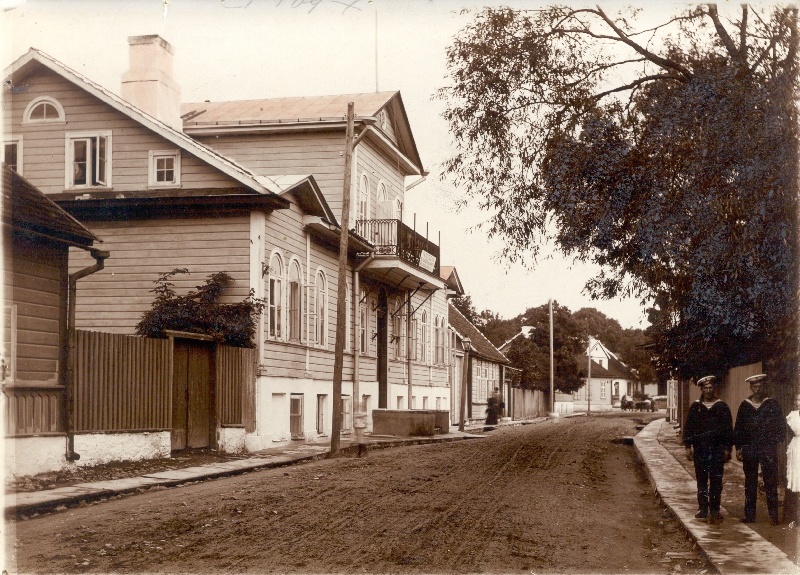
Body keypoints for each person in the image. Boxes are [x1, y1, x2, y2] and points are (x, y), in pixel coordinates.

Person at [734, 373, 786, 525]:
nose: (757, 388)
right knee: (750, 481)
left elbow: (781, 426)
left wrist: (774, 441)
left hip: (767, 448)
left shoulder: (772, 404)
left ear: (764, 386)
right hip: (750, 448)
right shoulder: (745, 406)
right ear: (750, 388)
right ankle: (749, 516)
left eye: (760, 385)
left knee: (770, 480)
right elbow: (739, 428)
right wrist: (738, 447)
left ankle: (773, 516)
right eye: (754, 386)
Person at [683, 375, 733, 524]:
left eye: (711, 387)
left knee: (716, 480)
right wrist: (688, 447)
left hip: (717, 449)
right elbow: (689, 428)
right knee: (702, 479)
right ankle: (703, 509)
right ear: (702, 389)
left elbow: (728, 429)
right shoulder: (696, 407)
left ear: (714, 389)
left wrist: (727, 448)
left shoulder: (722, 406)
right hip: (700, 449)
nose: (709, 390)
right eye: (706, 388)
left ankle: (715, 510)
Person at [783, 392, 800, 525]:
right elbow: (788, 433)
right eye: (798, 400)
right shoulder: (792, 416)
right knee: (795, 479)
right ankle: (793, 516)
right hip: (796, 449)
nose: (799, 402)